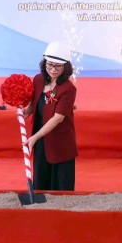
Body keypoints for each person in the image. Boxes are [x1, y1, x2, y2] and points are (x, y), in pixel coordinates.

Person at [22, 41, 78, 191]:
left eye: (58, 66)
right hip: (41, 142)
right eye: (49, 64)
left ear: (65, 67)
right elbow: (34, 104)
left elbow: (58, 118)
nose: (52, 69)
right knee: (41, 181)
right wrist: (25, 112)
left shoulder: (68, 89)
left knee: (61, 186)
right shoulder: (38, 80)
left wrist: (35, 137)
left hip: (60, 142)